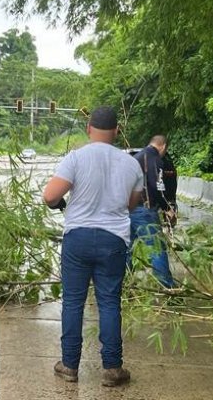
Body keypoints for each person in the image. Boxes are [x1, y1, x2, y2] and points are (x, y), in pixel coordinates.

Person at [42, 106, 143, 387]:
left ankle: (69, 366)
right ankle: (112, 368)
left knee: (73, 302)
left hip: (79, 238)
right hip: (113, 241)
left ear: (88, 128)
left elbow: (50, 196)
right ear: (117, 132)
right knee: (109, 302)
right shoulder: (132, 164)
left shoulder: (76, 157)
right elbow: (131, 205)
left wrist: (63, 204)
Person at [129, 135, 176, 289]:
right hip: (144, 210)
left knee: (127, 248)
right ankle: (166, 287)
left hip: (127, 209)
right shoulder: (154, 159)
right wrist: (167, 208)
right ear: (163, 146)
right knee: (157, 247)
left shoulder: (136, 158)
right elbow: (157, 187)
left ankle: (124, 284)